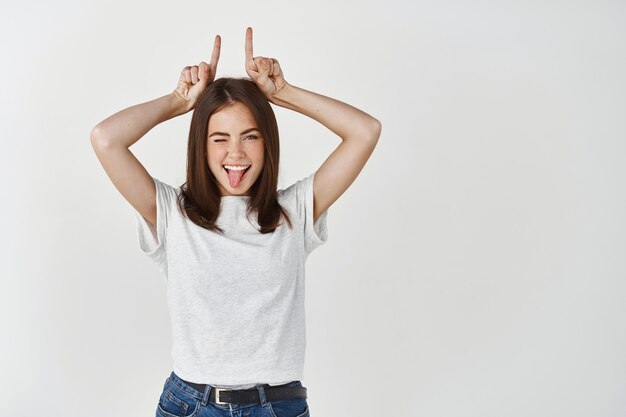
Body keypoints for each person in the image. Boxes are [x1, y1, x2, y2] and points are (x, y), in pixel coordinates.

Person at [90, 27, 381, 417]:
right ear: (201, 145)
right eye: (219, 138)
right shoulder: (171, 213)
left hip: (279, 406)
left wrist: (282, 94)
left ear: (267, 143)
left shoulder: (293, 212)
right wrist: (178, 101)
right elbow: (106, 138)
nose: (236, 153)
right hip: (191, 405)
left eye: (250, 137)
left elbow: (365, 131)